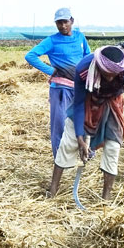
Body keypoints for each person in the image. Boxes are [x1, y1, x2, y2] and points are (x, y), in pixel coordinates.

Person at [47, 42, 124, 200]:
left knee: (113, 147)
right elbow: (79, 103)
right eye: (106, 72)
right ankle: (52, 192)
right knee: (68, 142)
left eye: (113, 74)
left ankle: (105, 199)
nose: (109, 77)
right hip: (87, 102)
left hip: (113, 105)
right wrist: (80, 137)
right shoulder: (83, 69)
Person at [25, 8, 91, 157]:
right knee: (60, 124)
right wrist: (50, 70)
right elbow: (30, 56)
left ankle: (84, 151)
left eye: (65, 22)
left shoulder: (80, 38)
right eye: (58, 23)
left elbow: (88, 56)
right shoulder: (52, 40)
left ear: (71, 21)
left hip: (79, 87)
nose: (62, 26)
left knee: (82, 120)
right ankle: (60, 157)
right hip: (60, 89)